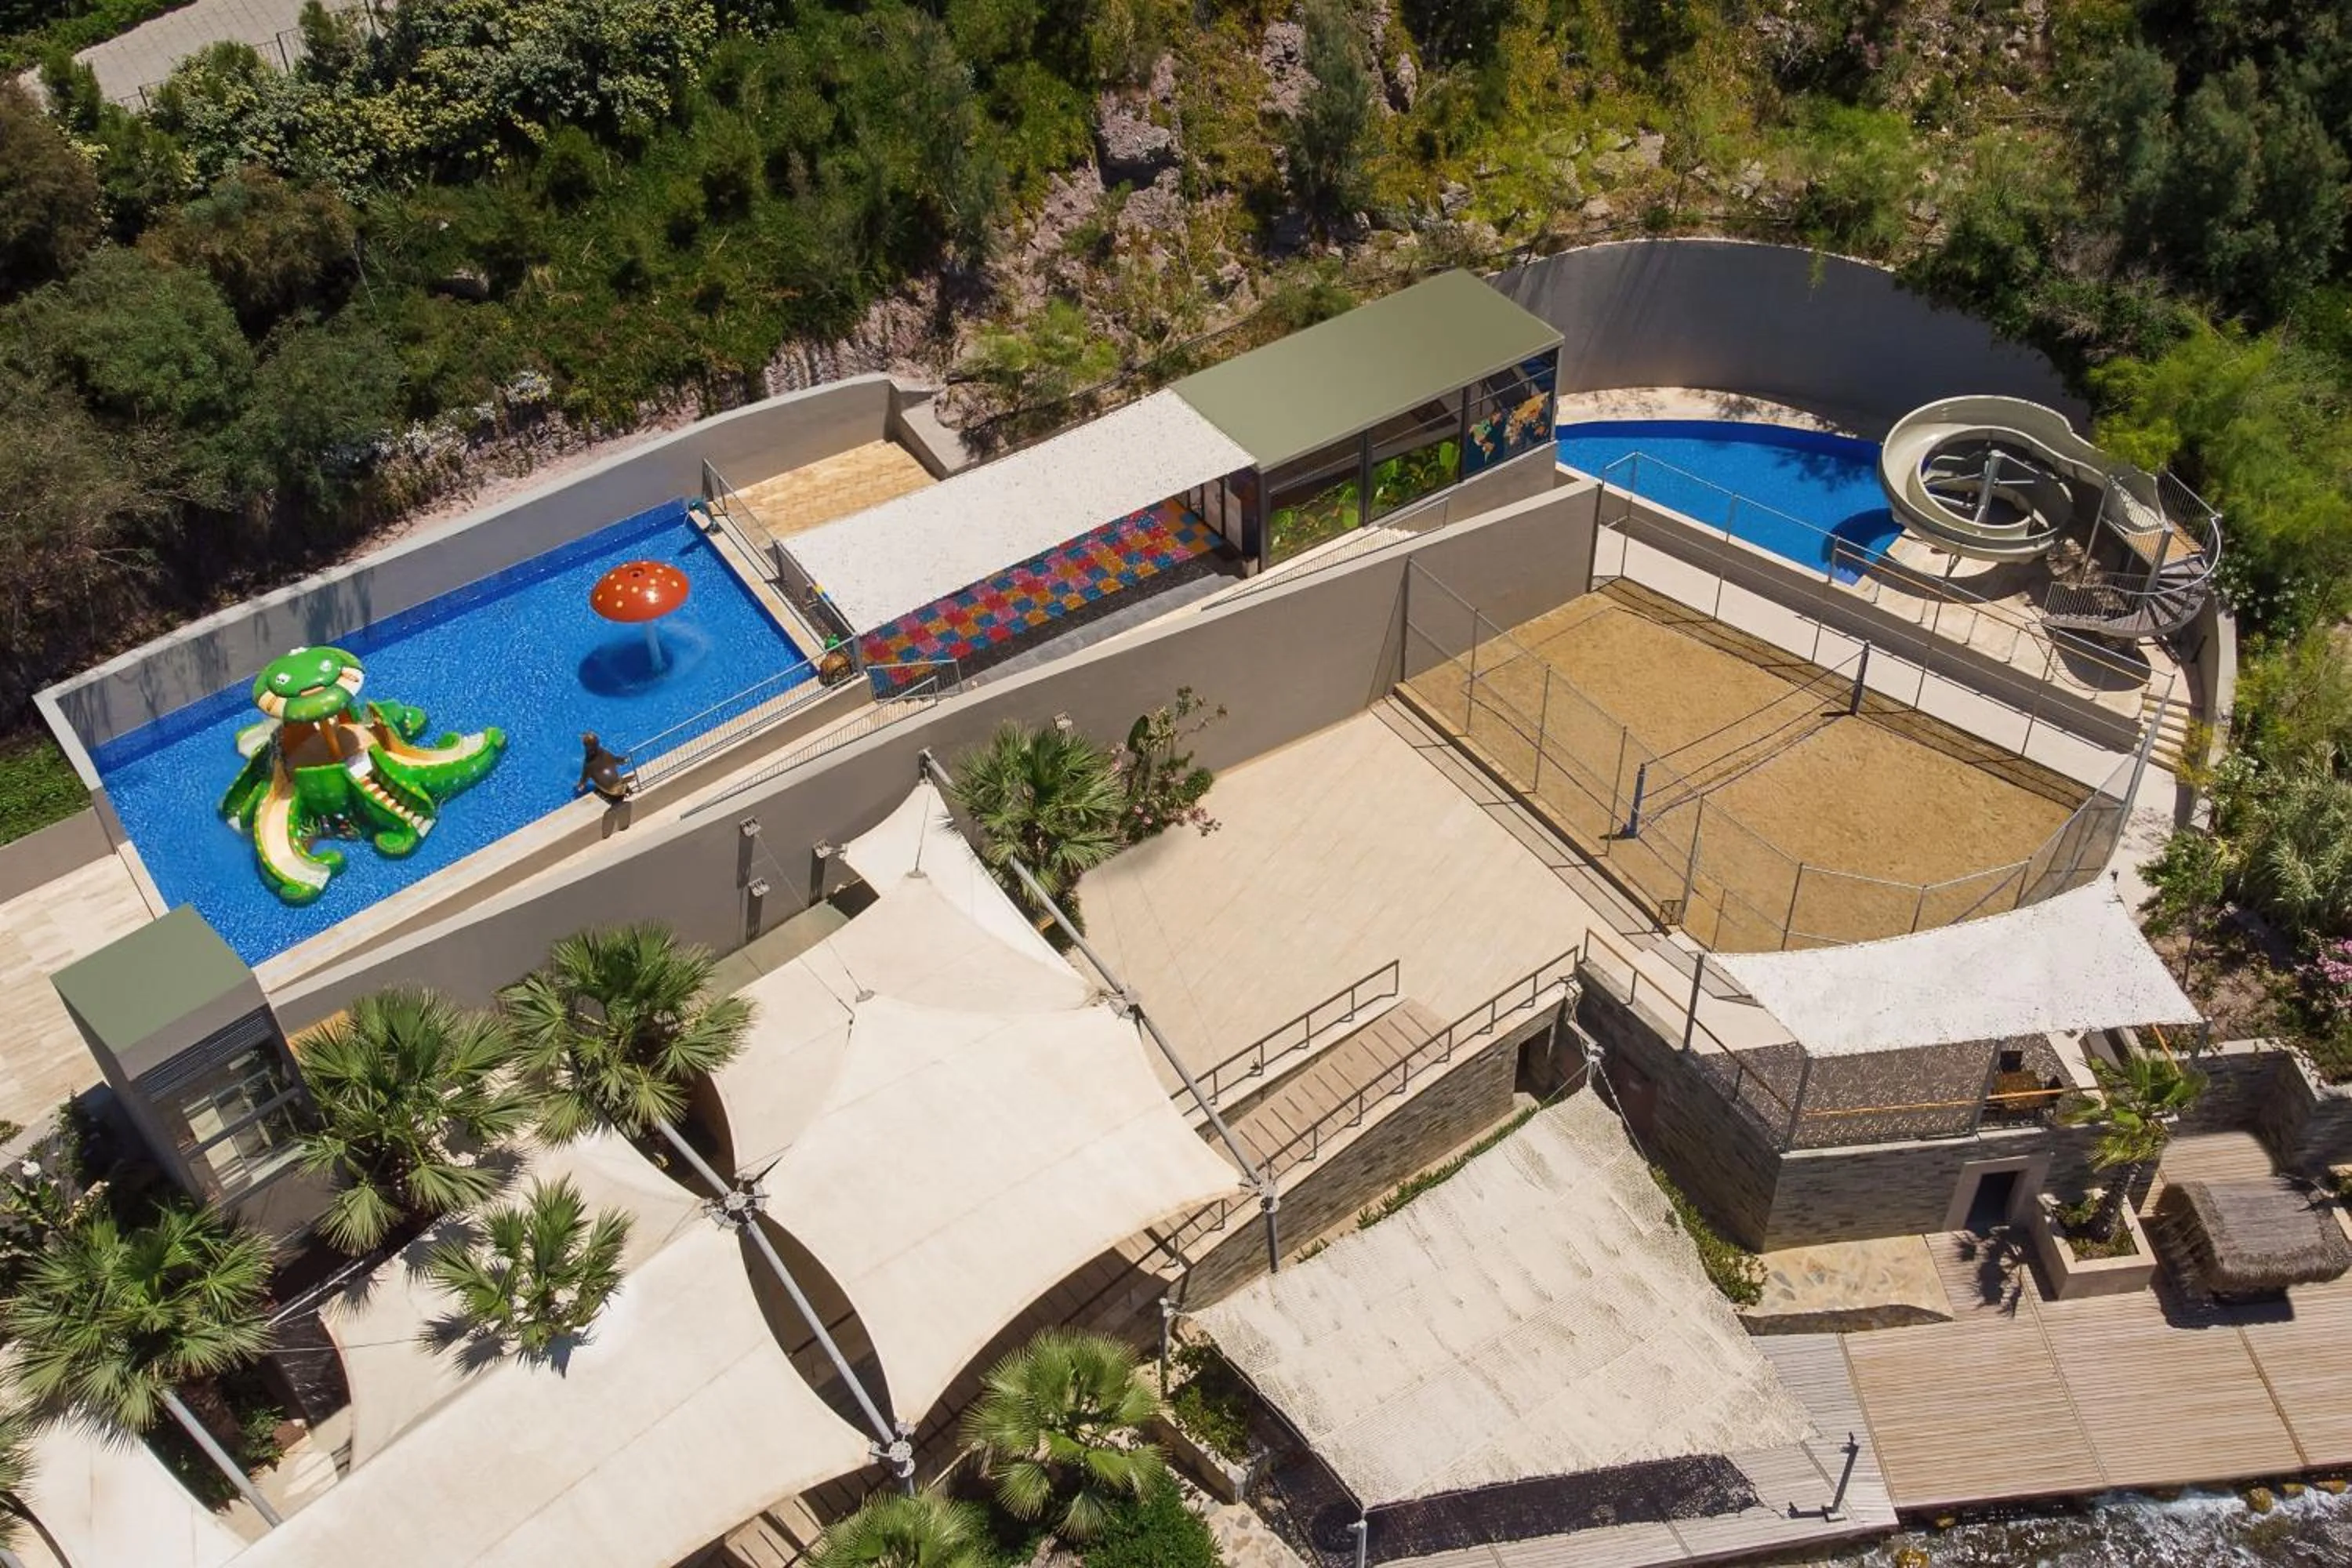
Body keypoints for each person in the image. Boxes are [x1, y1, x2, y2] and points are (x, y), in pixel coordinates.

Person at [577, 731, 633, 804]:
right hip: (621, 785)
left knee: (598, 789)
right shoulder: (605, 753)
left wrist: (580, 786)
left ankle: (615, 791)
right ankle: (624, 788)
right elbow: (617, 760)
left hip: (612, 791)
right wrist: (624, 760)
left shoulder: (588, 765)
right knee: (615, 780)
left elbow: (582, 784)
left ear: (585, 746)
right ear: (598, 743)